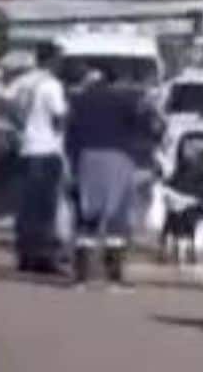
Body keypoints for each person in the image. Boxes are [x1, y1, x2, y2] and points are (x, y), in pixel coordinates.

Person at [68, 68, 159, 285]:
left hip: (87, 158)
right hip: (118, 157)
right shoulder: (124, 100)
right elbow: (145, 126)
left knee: (86, 213)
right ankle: (114, 274)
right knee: (117, 215)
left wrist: (72, 163)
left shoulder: (80, 101)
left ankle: (81, 275)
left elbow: (70, 134)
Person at [9, 41, 68, 274]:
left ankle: (25, 256)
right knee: (45, 207)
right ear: (52, 60)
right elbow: (59, 118)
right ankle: (44, 258)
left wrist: (21, 127)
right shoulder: (51, 85)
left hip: (25, 148)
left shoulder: (22, 82)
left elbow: (7, 104)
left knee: (26, 207)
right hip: (46, 150)